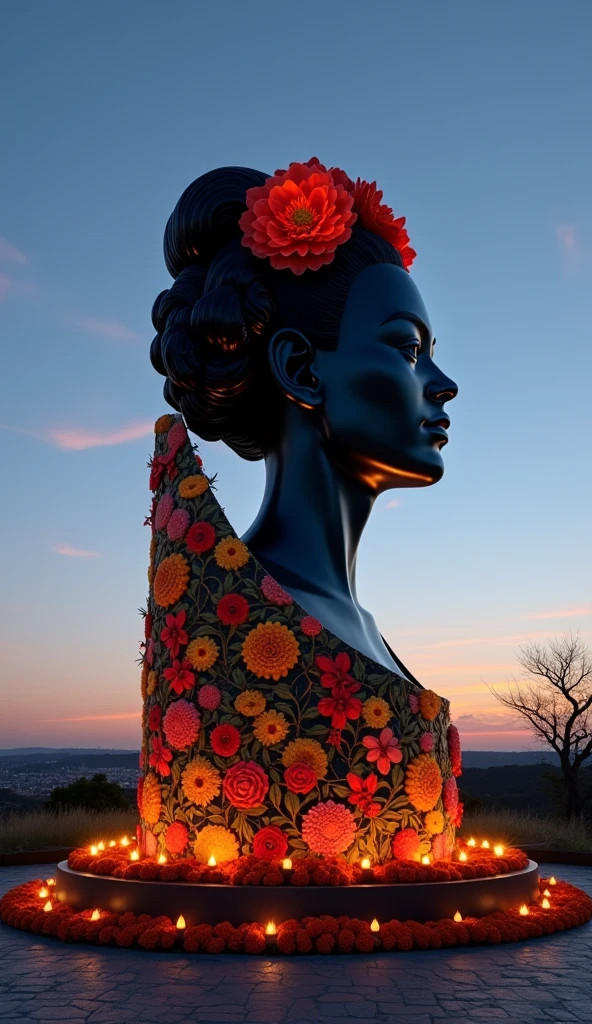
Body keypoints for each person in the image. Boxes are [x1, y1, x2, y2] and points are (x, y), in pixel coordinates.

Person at [139, 160, 462, 865]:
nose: (443, 384)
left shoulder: (356, 621)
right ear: (303, 369)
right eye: (408, 349)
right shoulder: (233, 614)